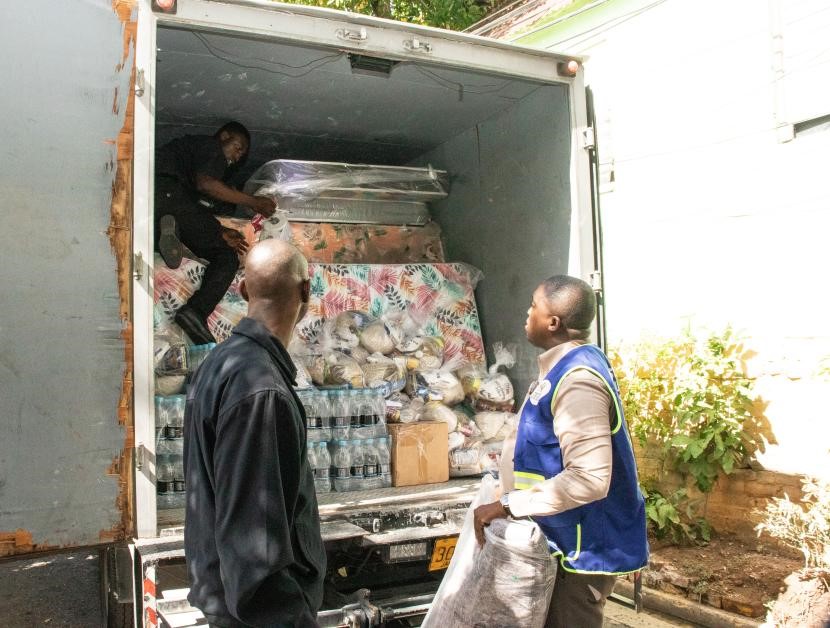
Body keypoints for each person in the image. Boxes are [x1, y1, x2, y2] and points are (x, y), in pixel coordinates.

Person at [473, 275, 648, 628]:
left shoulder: (579, 380)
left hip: (580, 555)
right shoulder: (559, 371)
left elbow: (589, 478)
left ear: (553, 322)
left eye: (534, 305)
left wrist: (507, 505)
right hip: (557, 546)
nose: (527, 312)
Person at [183, 239, 326, 628]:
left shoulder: (222, 362)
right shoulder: (260, 389)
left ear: (243, 290)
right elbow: (255, 547)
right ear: (306, 291)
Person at [155, 121, 277, 345]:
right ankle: (195, 312)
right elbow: (207, 185)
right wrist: (254, 202)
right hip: (166, 194)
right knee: (226, 257)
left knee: (202, 235)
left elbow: (191, 208)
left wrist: (217, 230)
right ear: (224, 136)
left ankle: (169, 232)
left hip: (160, 203)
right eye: (238, 147)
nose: (237, 157)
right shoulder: (210, 147)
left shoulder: (188, 158)